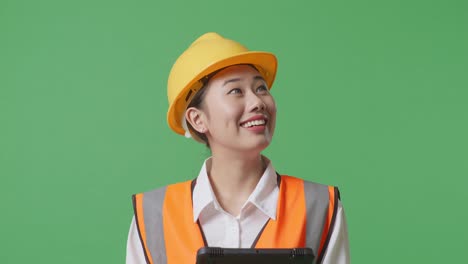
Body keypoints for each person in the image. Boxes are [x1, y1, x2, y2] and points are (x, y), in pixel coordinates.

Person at [126, 32, 350, 264]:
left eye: (261, 88)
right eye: (236, 91)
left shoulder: (320, 205)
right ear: (197, 119)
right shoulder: (152, 216)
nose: (258, 102)